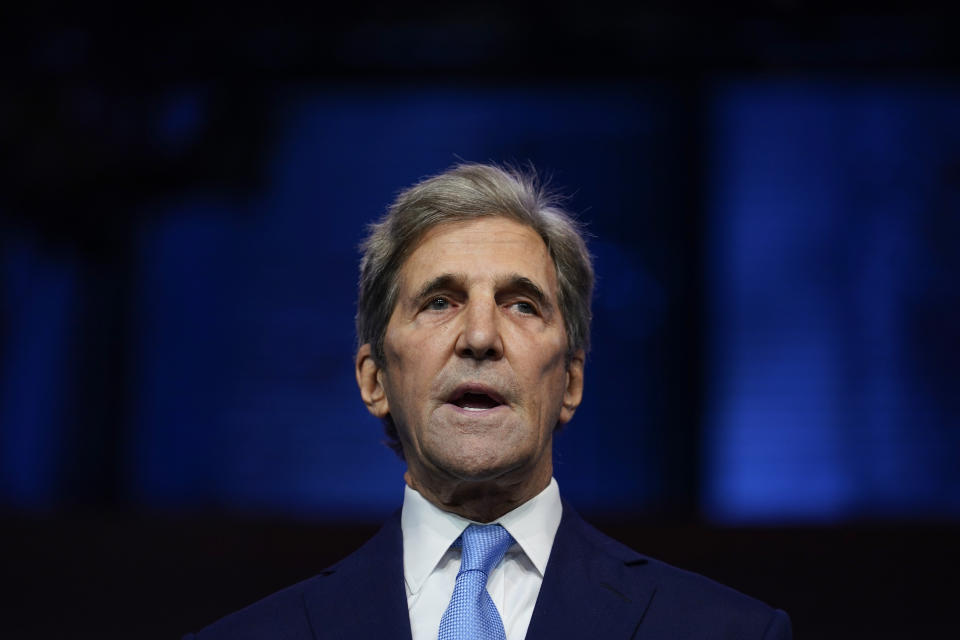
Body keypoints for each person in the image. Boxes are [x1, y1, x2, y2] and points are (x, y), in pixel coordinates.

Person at [185, 163, 792, 639]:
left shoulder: (726, 631)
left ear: (571, 382)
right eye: (440, 302)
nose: (479, 337)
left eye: (521, 304)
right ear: (374, 380)